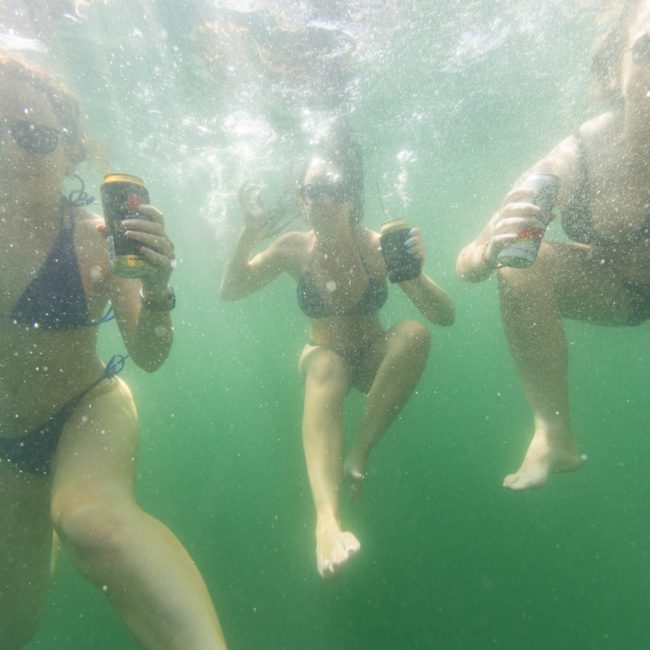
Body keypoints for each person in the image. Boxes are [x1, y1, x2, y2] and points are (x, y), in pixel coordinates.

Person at [0, 54, 228, 649]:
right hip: (6, 446)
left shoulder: (92, 238)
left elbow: (149, 354)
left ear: (70, 152)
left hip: (85, 410)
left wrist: (156, 289)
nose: (11, 147)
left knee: (92, 523)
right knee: (12, 626)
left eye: (31, 134)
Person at [220, 133, 454, 578]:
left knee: (415, 334)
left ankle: (360, 452)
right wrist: (248, 234)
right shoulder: (293, 248)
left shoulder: (375, 247)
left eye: (335, 191)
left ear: (351, 198)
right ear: (301, 200)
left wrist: (416, 276)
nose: (323, 201)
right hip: (325, 356)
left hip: (372, 358)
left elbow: (444, 315)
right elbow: (231, 290)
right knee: (326, 364)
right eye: (312, 192)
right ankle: (326, 523)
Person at [456, 0, 650, 491]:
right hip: (623, 290)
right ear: (615, 66)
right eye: (648, 49)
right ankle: (552, 433)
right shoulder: (582, 151)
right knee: (522, 266)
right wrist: (491, 248)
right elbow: (467, 264)